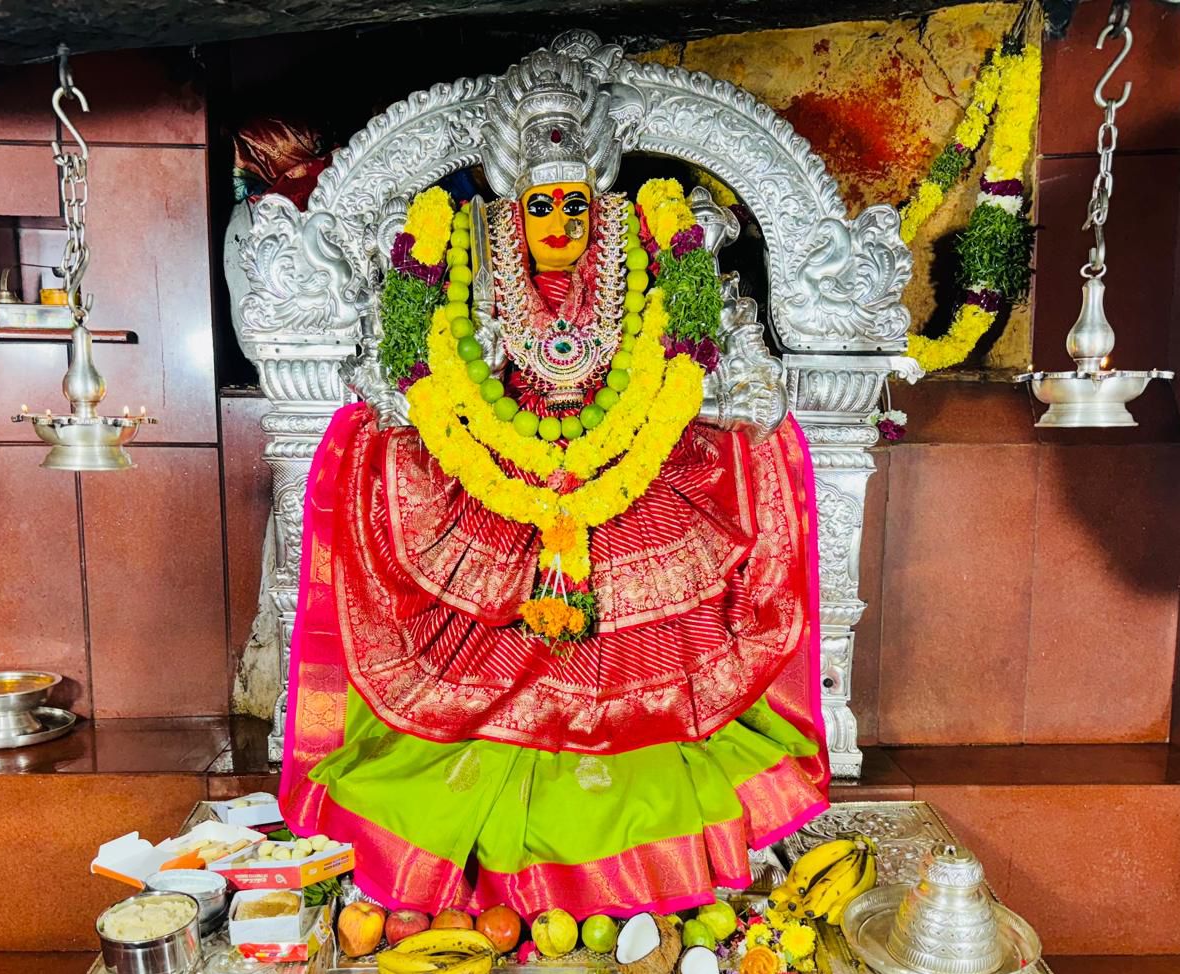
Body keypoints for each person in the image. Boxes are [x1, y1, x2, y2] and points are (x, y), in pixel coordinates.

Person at [278, 44, 828, 919]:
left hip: (633, 471)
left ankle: (634, 861)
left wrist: (721, 390)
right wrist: (418, 404)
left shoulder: (644, 254)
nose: (560, 223)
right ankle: (499, 864)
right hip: (498, 478)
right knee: (487, 662)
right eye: (540, 204)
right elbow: (408, 378)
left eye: (575, 203)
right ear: (511, 203)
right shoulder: (474, 258)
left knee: (647, 675)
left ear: (600, 199)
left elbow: (723, 369)